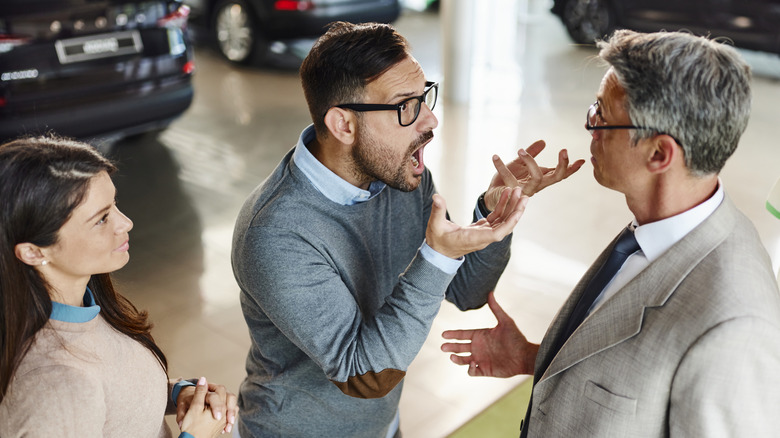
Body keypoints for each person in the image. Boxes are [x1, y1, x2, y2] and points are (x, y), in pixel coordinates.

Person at [230, 21, 583, 437]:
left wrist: (491, 213)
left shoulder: (400, 173)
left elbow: (465, 293)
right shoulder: (274, 234)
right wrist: (436, 257)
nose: (430, 120)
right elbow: (364, 375)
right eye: (405, 106)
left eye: (424, 97)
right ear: (344, 125)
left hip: (383, 426)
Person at [441, 29, 780, 437]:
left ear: (659, 154)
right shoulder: (659, 227)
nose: (590, 127)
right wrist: (535, 358)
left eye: (602, 116)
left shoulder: (734, 330)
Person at [0, 136, 238, 437]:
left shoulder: (85, 305)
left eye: (114, 205)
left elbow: (110, 400)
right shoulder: (54, 388)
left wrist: (178, 393)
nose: (125, 223)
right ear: (34, 251)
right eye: (100, 220)